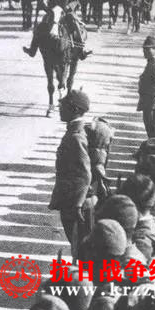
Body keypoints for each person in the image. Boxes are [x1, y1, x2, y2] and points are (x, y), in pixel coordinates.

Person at [49, 89, 93, 259]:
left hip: (72, 202)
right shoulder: (76, 132)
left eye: (64, 106)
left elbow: (85, 174)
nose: (60, 108)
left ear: (74, 109)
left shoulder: (75, 137)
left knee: (79, 249)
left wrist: (78, 204)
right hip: (71, 198)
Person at [23, 0, 91, 60]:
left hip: (66, 12)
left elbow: (76, 0)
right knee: (40, 27)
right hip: (52, 13)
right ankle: (32, 50)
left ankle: (81, 50)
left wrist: (69, 6)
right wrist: (45, 7)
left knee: (75, 25)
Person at [137, 35, 155, 138]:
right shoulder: (151, 62)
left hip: (151, 101)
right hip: (148, 100)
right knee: (149, 125)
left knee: (151, 125)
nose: (144, 51)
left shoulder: (154, 65)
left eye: (148, 49)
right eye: (144, 49)